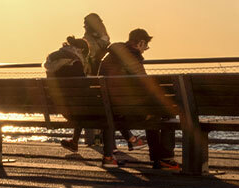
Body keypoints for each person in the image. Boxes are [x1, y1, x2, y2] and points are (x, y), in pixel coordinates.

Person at [97, 29, 178, 170]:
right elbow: (145, 85)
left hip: (110, 110)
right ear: (140, 43)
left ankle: (160, 159)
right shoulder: (133, 59)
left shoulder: (109, 57)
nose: (145, 50)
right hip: (129, 111)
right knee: (166, 113)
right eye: (145, 46)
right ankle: (165, 158)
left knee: (153, 113)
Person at [44, 37, 93, 154]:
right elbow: (83, 88)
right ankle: (112, 153)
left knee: (80, 111)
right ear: (80, 50)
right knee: (102, 111)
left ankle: (74, 142)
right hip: (73, 107)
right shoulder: (75, 63)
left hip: (56, 105)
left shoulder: (52, 61)